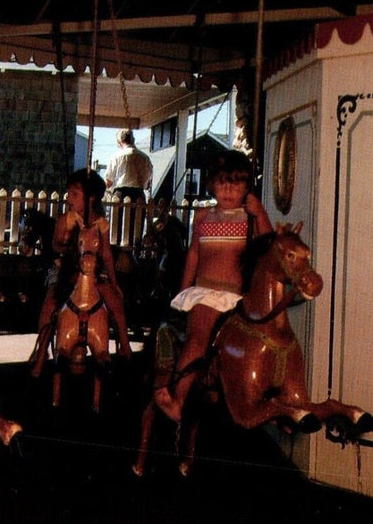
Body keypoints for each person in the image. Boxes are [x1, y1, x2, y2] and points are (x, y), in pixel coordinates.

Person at [153, 149, 272, 422]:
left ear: (247, 188)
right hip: (206, 293)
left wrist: (261, 213)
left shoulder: (249, 218)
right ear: (211, 185)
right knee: (197, 338)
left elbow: (268, 247)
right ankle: (179, 400)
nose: (229, 189)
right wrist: (184, 290)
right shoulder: (203, 217)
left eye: (237, 183)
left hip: (238, 296)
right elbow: (194, 254)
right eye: (222, 182)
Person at [28, 168, 134, 377]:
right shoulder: (66, 220)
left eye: (75, 194)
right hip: (66, 269)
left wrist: (114, 281)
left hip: (92, 271)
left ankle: (124, 344)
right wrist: (69, 249)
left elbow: (106, 254)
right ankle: (41, 353)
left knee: (114, 301)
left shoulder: (100, 224)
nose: (70, 198)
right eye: (69, 193)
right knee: (51, 303)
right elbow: (56, 244)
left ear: (91, 198)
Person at [104, 129, 153, 203]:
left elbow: (109, 182)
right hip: (138, 194)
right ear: (133, 140)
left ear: (119, 142)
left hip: (120, 194)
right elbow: (148, 184)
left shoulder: (116, 156)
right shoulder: (145, 158)